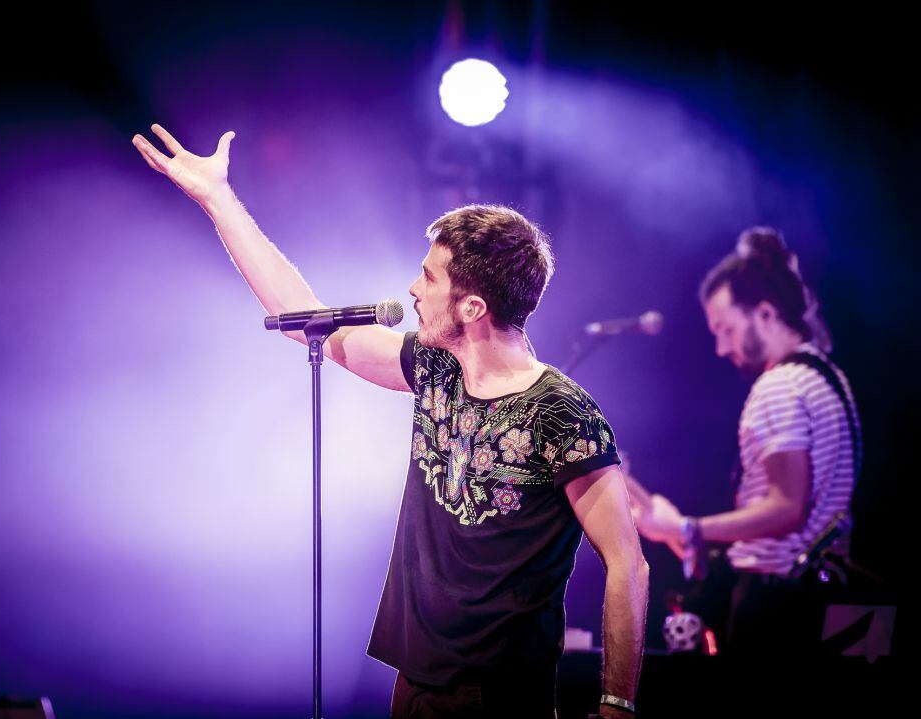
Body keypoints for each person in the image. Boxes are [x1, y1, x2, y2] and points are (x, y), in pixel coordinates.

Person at [132, 125, 648, 718]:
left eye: (430, 277)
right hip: (415, 686)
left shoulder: (563, 414)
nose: (413, 287)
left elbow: (627, 563)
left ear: (472, 307)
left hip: (504, 699)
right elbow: (308, 322)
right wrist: (217, 200)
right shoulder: (435, 367)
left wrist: (616, 707)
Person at [633, 227, 860, 654]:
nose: (721, 348)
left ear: (766, 315)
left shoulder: (779, 387)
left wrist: (689, 528)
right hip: (817, 599)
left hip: (778, 607)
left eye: (726, 329)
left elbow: (786, 507)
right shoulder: (830, 380)